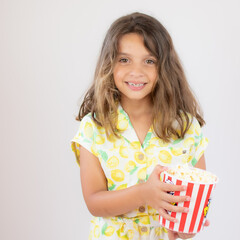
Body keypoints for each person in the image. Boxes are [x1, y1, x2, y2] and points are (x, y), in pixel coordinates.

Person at [71, 12, 209, 240]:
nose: (137, 71)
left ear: (163, 67)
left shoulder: (186, 128)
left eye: (149, 61)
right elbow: (94, 202)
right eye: (124, 60)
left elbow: (192, 208)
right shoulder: (93, 128)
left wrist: (188, 225)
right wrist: (145, 193)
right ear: (109, 64)